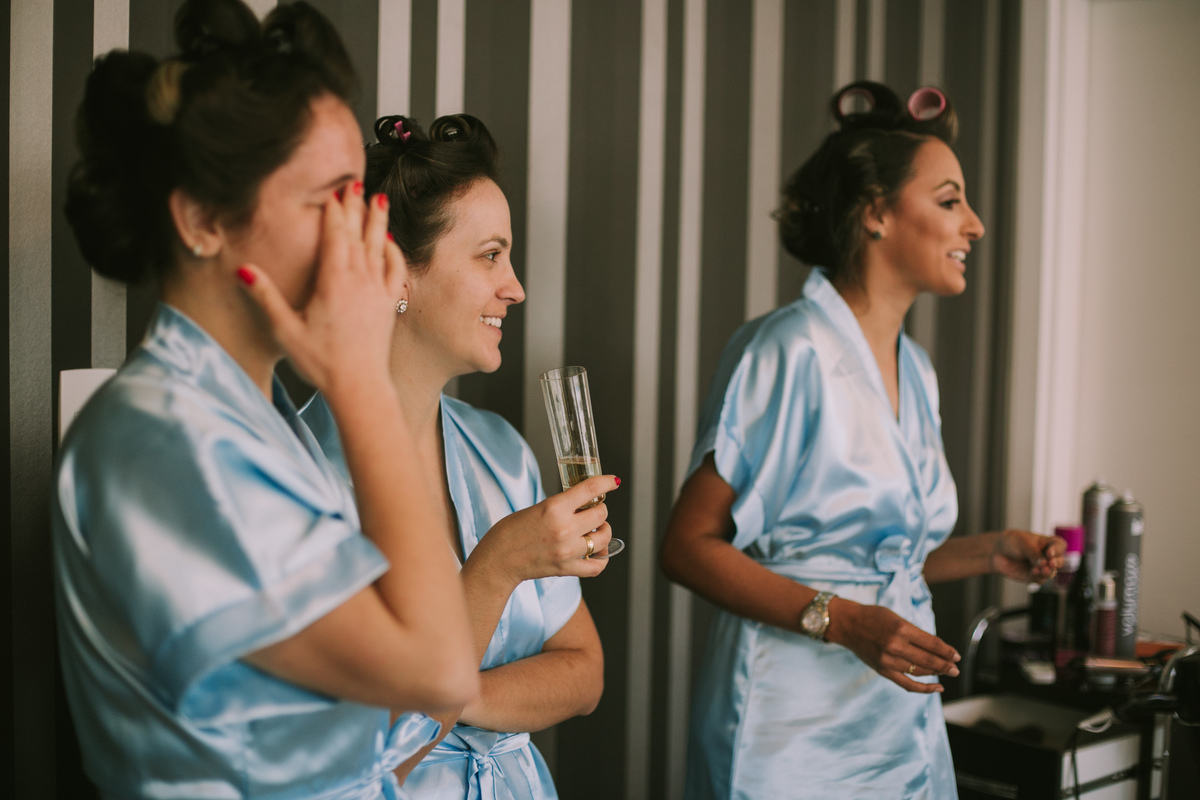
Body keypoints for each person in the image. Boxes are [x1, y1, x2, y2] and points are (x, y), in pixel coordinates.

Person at [54, 2, 478, 797]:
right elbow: (441, 670)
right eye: (331, 199)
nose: (368, 236)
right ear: (204, 220)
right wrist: (360, 379)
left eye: (363, 198)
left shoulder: (259, 418)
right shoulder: (158, 442)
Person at [659, 82, 1067, 799]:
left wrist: (989, 550)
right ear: (875, 211)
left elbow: (874, 561)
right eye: (950, 200)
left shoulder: (917, 371)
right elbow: (686, 548)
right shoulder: (787, 352)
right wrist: (844, 623)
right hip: (788, 731)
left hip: (897, 723)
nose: (974, 225)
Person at [300, 113, 617, 800]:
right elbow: (361, 758)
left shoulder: (500, 451)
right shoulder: (302, 481)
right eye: (490, 255)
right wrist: (496, 568)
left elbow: (585, 672)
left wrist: (451, 697)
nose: (516, 287)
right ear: (396, 274)